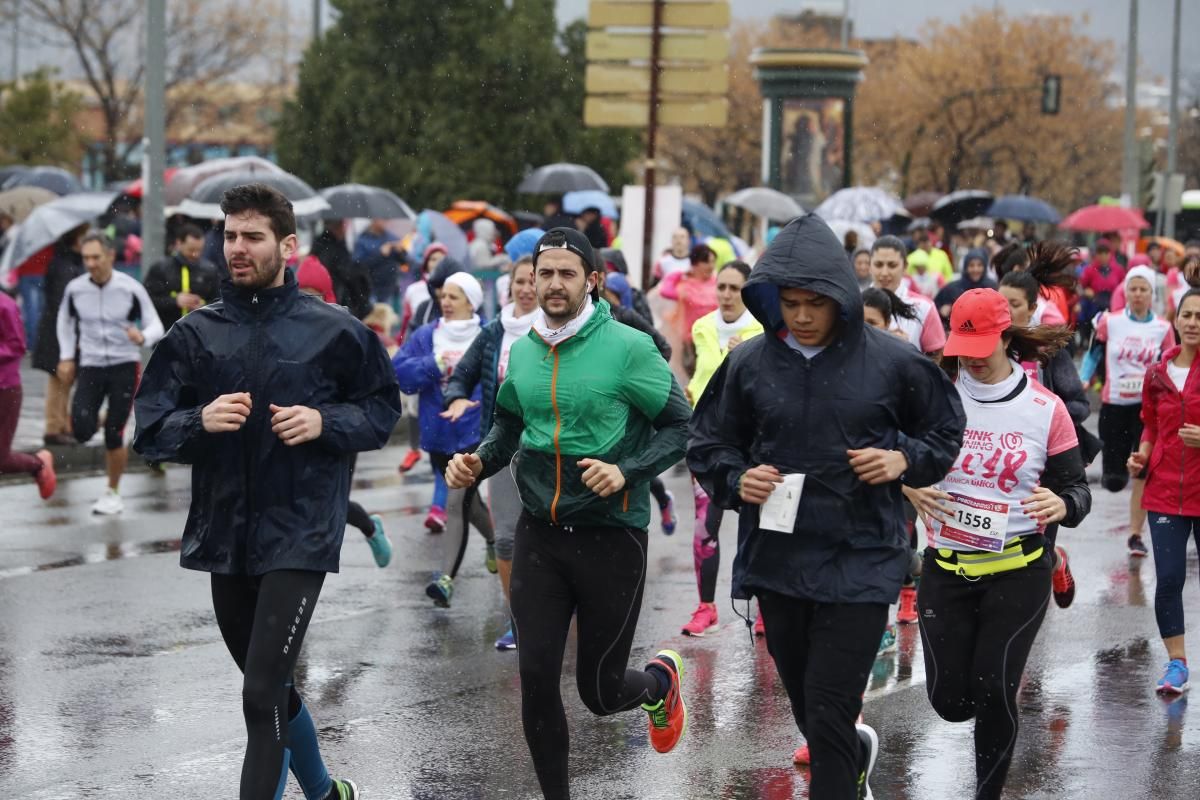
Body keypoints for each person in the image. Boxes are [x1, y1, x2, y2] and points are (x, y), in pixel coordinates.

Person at [133, 183, 401, 800]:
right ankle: (326, 793)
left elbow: (382, 412)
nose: (237, 249)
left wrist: (323, 422)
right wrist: (196, 421)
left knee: (258, 698)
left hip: (300, 532)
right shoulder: (196, 333)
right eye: (229, 236)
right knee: (273, 690)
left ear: (287, 244)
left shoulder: (334, 331)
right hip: (224, 535)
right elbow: (149, 427)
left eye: (252, 237)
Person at [689, 214, 966, 799]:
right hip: (780, 559)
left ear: (840, 297)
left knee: (829, 708)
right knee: (811, 711)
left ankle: (841, 762)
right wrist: (739, 479)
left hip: (862, 557)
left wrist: (902, 460)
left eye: (816, 303)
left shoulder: (892, 362)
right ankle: (848, 747)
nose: (803, 316)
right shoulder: (749, 363)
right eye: (789, 303)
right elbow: (707, 443)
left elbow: (944, 432)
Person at [444, 227, 691, 799]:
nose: (552, 285)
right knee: (534, 677)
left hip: (612, 536)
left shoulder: (628, 348)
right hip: (542, 535)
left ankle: (658, 683)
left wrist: (627, 471)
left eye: (566, 274)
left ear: (593, 281)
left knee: (599, 693)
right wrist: (477, 461)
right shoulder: (525, 349)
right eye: (543, 274)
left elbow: (681, 426)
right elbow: (508, 424)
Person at [906, 288, 1091, 800]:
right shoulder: (935, 396)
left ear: (1007, 339)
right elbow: (889, 453)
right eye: (962, 350)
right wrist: (908, 484)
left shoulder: (1044, 408)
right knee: (950, 701)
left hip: (1019, 567)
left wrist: (1063, 505)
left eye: (982, 349)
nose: (971, 362)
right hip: (946, 567)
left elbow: (1076, 488)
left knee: (994, 687)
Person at [443, 256, 540, 648]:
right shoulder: (495, 330)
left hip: (550, 450)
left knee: (551, 535)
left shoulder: (558, 330)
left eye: (534, 280)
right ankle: (519, 621)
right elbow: (464, 374)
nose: (527, 288)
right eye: (520, 281)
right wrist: (455, 398)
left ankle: (554, 610)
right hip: (501, 448)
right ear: (510, 287)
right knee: (505, 540)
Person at [394, 271, 496, 607]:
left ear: (471, 301)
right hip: (437, 436)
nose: (445, 302)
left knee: (455, 502)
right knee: (469, 503)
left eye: (454, 296)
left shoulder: (487, 336)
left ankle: (446, 579)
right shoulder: (427, 336)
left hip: (473, 433)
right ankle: (497, 542)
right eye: (444, 296)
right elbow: (398, 373)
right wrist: (433, 365)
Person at [681, 260, 763, 638]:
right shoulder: (701, 327)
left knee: (759, 528)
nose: (727, 295)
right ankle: (706, 607)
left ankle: (764, 607)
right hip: (708, 443)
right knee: (705, 528)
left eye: (735, 288)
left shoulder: (762, 330)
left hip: (748, 445)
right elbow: (697, 369)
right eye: (722, 287)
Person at [56, 232, 164, 514]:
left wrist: (142, 337)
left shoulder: (129, 288)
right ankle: (103, 417)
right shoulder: (76, 289)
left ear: (111, 256)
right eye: (85, 258)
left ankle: (112, 492)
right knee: (81, 429)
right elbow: (64, 323)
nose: (90, 264)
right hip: (91, 365)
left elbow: (156, 326)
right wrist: (67, 356)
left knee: (114, 434)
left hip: (124, 366)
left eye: (96, 257)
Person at [296, 260, 392, 569]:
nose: (309, 303)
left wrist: (334, 416)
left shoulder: (345, 331)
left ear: (328, 296)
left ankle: (369, 528)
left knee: (332, 502)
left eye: (316, 295)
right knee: (301, 501)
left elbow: (368, 393)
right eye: (302, 294)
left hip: (341, 432)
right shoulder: (286, 330)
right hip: (298, 429)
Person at [1129, 288, 1200, 694]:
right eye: (1187, 315)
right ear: (1175, 320)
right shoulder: (1157, 373)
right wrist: (1142, 455)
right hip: (1164, 492)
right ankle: (1177, 664)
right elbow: (1151, 425)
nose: (1192, 322)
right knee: (1169, 579)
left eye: (1199, 316)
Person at [1089, 266, 1174, 557]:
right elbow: (1093, 355)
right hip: (1114, 406)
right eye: (1133, 289)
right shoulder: (1109, 322)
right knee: (1114, 480)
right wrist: (1081, 381)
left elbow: (1171, 365)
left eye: (1143, 289)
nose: (1137, 294)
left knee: (1143, 472)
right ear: (1125, 292)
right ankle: (1115, 473)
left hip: (1147, 410)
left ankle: (1136, 535)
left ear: (1152, 294)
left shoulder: (1163, 329)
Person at [602, 270, 678, 536]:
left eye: (610, 293)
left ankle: (660, 501)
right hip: (605, 405)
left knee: (633, 462)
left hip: (634, 404)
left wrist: (642, 381)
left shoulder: (628, 317)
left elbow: (664, 348)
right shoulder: (587, 322)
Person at [397, 243, 449, 474]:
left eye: (441, 259)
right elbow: (410, 323)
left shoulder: (461, 292)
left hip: (448, 368)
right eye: (432, 259)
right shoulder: (417, 293)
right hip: (426, 363)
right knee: (415, 408)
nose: (436, 263)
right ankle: (415, 447)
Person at [0, 288, 56, 498]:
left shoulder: (5, 304)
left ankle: (38, 464)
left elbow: (17, 347)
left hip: (4, 389)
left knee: (1, 460)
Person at [32, 227, 86, 446]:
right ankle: (54, 427)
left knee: (65, 379)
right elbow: (63, 302)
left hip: (60, 329)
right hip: (58, 331)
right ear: (75, 239)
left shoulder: (67, 261)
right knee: (58, 379)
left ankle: (62, 425)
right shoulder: (64, 265)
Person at [869, 235, 946, 358]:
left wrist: (907, 352)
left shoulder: (924, 307)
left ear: (905, 266)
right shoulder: (855, 304)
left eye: (892, 265)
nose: (884, 273)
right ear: (870, 266)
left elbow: (936, 358)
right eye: (878, 265)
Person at [143, 223, 221, 330]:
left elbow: (219, 302)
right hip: (166, 333)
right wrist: (175, 301)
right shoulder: (161, 268)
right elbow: (146, 301)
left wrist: (202, 306)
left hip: (199, 333)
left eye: (199, 250)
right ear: (179, 243)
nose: (195, 254)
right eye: (191, 250)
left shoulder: (210, 270)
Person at [659, 244, 719, 375]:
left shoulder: (718, 284)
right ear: (695, 264)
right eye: (706, 262)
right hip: (691, 342)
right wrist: (681, 273)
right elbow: (665, 290)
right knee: (695, 376)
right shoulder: (685, 285)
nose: (711, 266)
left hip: (715, 339)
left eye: (713, 262)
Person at [311, 219, 372, 320]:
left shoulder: (320, 243)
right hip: (336, 298)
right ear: (340, 226)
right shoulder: (334, 246)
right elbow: (345, 271)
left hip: (321, 299)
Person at [934, 248, 995, 325]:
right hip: (958, 333)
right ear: (966, 267)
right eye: (971, 265)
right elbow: (934, 309)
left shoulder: (992, 288)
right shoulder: (952, 289)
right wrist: (941, 311)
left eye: (979, 265)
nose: (975, 269)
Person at [354, 218, 404, 308]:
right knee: (373, 319)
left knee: (390, 319)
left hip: (389, 288)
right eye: (382, 219)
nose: (385, 222)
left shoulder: (392, 237)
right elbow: (358, 264)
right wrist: (379, 253)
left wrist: (401, 252)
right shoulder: (363, 239)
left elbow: (404, 262)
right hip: (370, 288)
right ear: (374, 220)